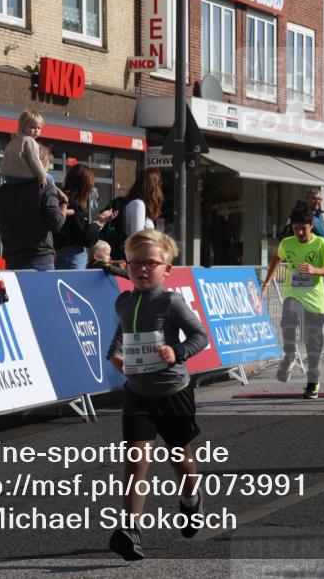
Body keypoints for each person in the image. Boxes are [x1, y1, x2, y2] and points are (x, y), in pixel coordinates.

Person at [105, 230, 209, 561]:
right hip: (138, 393)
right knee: (135, 460)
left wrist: (174, 352)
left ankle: (191, 500)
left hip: (173, 391)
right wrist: (115, 356)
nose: (142, 269)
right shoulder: (124, 301)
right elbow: (120, 336)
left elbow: (200, 336)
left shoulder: (172, 301)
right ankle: (130, 529)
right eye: (136, 262)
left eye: (151, 263)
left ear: (167, 269)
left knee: (180, 458)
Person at [261, 205, 324, 400]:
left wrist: (315, 270)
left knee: (312, 343)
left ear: (311, 225)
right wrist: (267, 281)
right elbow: (276, 257)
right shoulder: (287, 243)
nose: (300, 233)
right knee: (288, 321)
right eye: (296, 229)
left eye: (303, 228)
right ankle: (289, 357)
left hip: (314, 299)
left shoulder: (321, 245)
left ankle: (312, 382)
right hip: (293, 293)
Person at [0, 143, 65, 271]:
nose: (48, 170)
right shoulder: (46, 188)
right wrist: (64, 203)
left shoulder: (4, 191)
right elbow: (56, 224)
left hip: (13, 261)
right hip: (40, 260)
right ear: (39, 164)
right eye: (47, 165)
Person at [0, 109, 71, 210]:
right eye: (33, 127)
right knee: (49, 178)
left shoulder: (12, 141)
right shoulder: (30, 141)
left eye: (39, 128)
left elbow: (5, 159)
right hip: (23, 177)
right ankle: (55, 199)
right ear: (23, 126)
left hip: (9, 178)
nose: (36, 130)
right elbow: (34, 160)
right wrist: (42, 176)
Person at [53, 164, 116, 270]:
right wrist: (98, 222)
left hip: (65, 255)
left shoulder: (65, 201)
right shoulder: (70, 203)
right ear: (85, 185)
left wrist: (99, 222)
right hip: (71, 257)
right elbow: (86, 238)